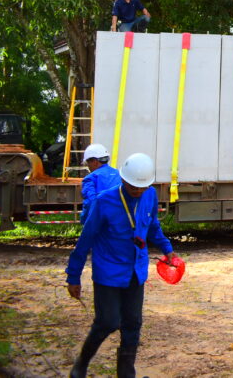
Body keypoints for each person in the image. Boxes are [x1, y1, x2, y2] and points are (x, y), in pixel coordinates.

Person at [66, 153, 183, 378]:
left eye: (142, 187)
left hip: (135, 271)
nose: (137, 191)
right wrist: (73, 276)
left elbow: (152, 226)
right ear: (123, 180)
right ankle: (81, 364)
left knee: (133, 323)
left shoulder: (150, 195)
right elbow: (85, 240)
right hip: (108, 271)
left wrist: (167, 249)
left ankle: (126, 374)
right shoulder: (104, 202)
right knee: (108, 322)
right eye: (132, 187)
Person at [80, 144, 121, 224]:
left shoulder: (90, 178)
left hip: (101, 224)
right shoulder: (120, 174)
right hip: (120, 223)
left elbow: (90, 203)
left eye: (88, 163)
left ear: (95, 162)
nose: (88, 167)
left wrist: (84, 222)